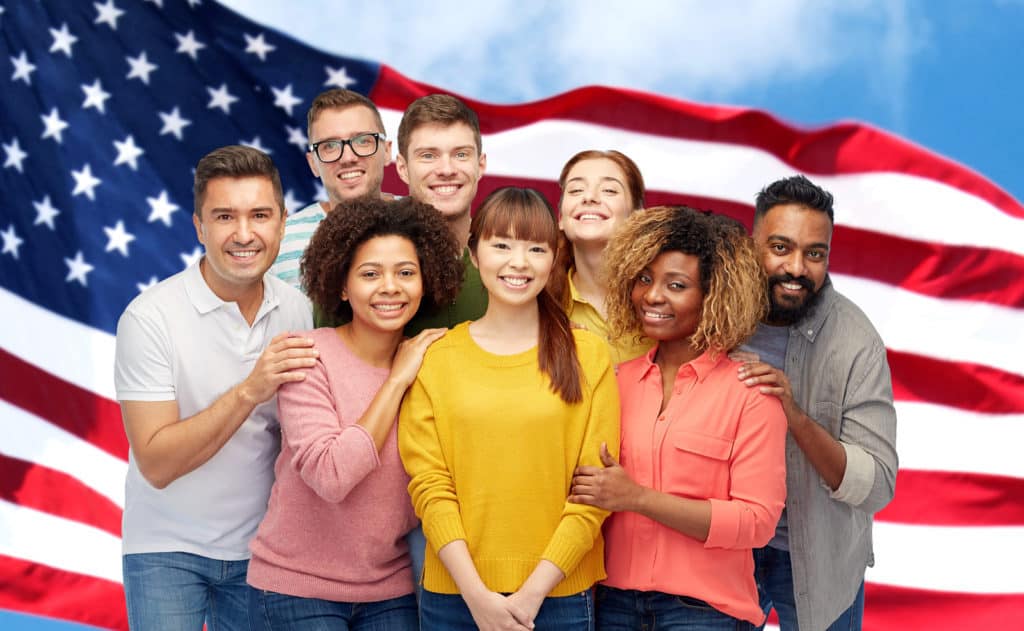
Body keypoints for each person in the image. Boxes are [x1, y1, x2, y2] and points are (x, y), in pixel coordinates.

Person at [399, 187, 620, 630]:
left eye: (536, 248)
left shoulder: (590, 355)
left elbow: (594, 493)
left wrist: (533, 593)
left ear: (554, 258)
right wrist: (476, 596)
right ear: (474, 253)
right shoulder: (437, 358)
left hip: (557, 598)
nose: (518, 262)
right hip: (454, 597)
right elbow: (430, 486)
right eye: (501, 245)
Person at [113, 145, 316, 630]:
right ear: (200, 227)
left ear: (282, 223)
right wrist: (250, 389)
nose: (244, 234)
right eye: (225, 216)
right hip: (166, 549)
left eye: (260, 215)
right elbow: (157, 463)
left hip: (262, 552)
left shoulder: (297, 310)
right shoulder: (149, 318)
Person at [246, 197, 463, 630]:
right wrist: (397, 381)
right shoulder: (308, 356)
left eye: (405, 273)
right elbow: (331, 475)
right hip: (296, 589)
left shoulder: (434, 363)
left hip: (391, 590)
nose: (390, 287)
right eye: (370, 274)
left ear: (426, 282)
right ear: (342, 286)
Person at [570, 206, 787, 630]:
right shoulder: (615, 383)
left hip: (706, 613)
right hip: (614, 605)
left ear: (713, 296)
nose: (653, 296)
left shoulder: (751, 394)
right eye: (645, 279)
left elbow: (756, 523)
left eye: (676, 285)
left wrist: (637, 498)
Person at [735, 175, 898, 631]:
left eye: (814, 253)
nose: (797, 267)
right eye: (781, 247)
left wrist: (793, 414)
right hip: (727, 550)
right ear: (753, 245)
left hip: (817, 558)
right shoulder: (714, 314)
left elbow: (878, 484)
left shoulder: (856, 340)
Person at [315, 93, 489, 332]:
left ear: (480, 165)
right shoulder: (354, 255)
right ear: (403, 168)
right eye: (428, 156)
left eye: (461, 154)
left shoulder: (508, 255)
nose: (446, 170)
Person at [270, 88, 393, 291]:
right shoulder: (279, 243)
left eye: (363, 141)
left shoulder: (426, 226)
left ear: (387, 151)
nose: (347, 158)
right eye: (330, 146)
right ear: (313, 163)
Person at [549, 149, 652, 364]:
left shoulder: (665, 299)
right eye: (576, 190)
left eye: (609, 190)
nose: (589, 198)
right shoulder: (539, 302)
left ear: (636, 217)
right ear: (560, 218)